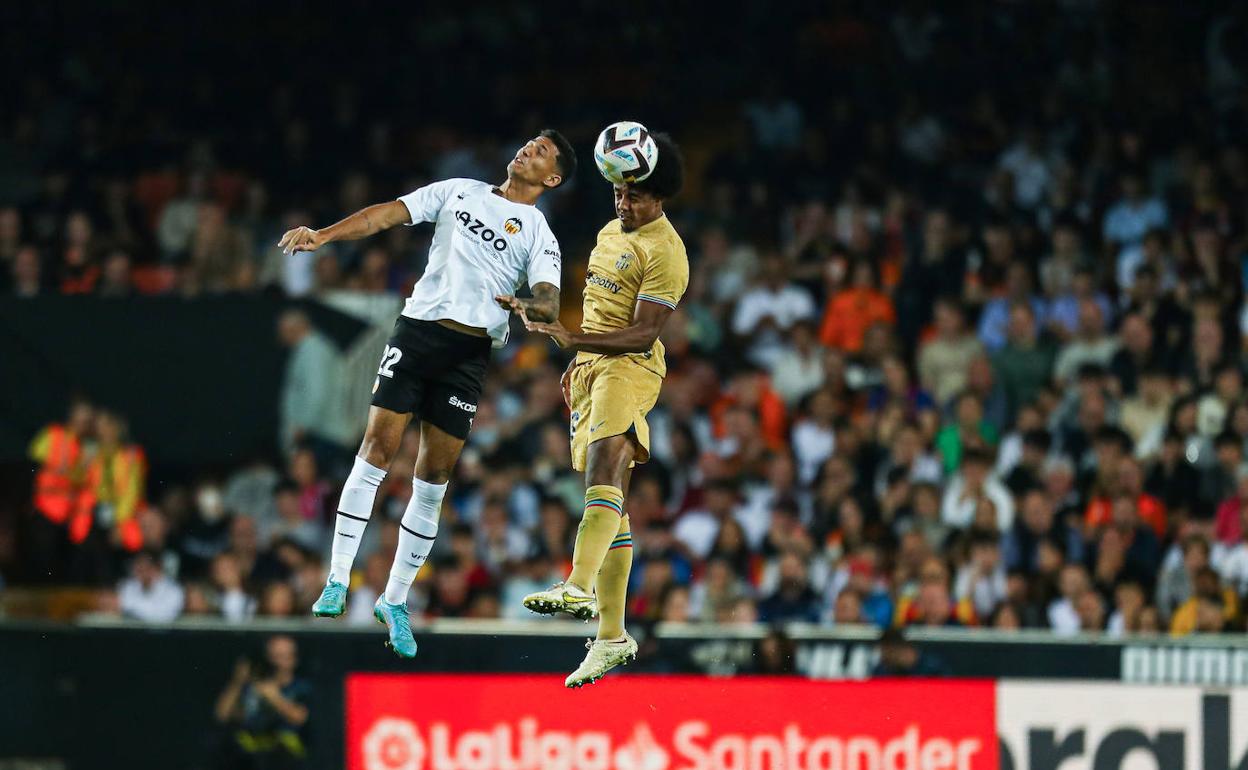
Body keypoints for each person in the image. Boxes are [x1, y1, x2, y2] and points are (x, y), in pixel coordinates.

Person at [280, 129, 576, 657]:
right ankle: (338, 578)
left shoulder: (538, 232)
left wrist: (534, 306)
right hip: (418, 334)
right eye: (529, 143)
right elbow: (385, 214)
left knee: (433, 478)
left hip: (468, 356)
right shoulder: (458, 190)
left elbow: (551, 300)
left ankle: (394, 601)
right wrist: (323, 236)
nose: (527, 150)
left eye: (541, 153)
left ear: (551, 179)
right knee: (376, 448)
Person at [522, 131, 688, 688]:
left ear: (660, 196)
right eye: (619, 192)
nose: (624, 203)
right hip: (596, 367)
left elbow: (641, 334)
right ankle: (612, 637)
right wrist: (578, 362)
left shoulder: (666, 252)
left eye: (635, 195)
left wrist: (574, 342)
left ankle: (578, 584)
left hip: (631, 366)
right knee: (609, 498)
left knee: (603, 474)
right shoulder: (609, 232)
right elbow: (599, 315)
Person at [214, 635, 310, 769]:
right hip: (250, 758)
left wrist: (274, 697)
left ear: (294, 659)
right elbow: (223, 714)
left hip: (285, 759)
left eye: (285, 657)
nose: (278, 663)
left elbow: (300, 718)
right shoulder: (253, 688)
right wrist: (238, 681)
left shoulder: (301, 688)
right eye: (274, 656)